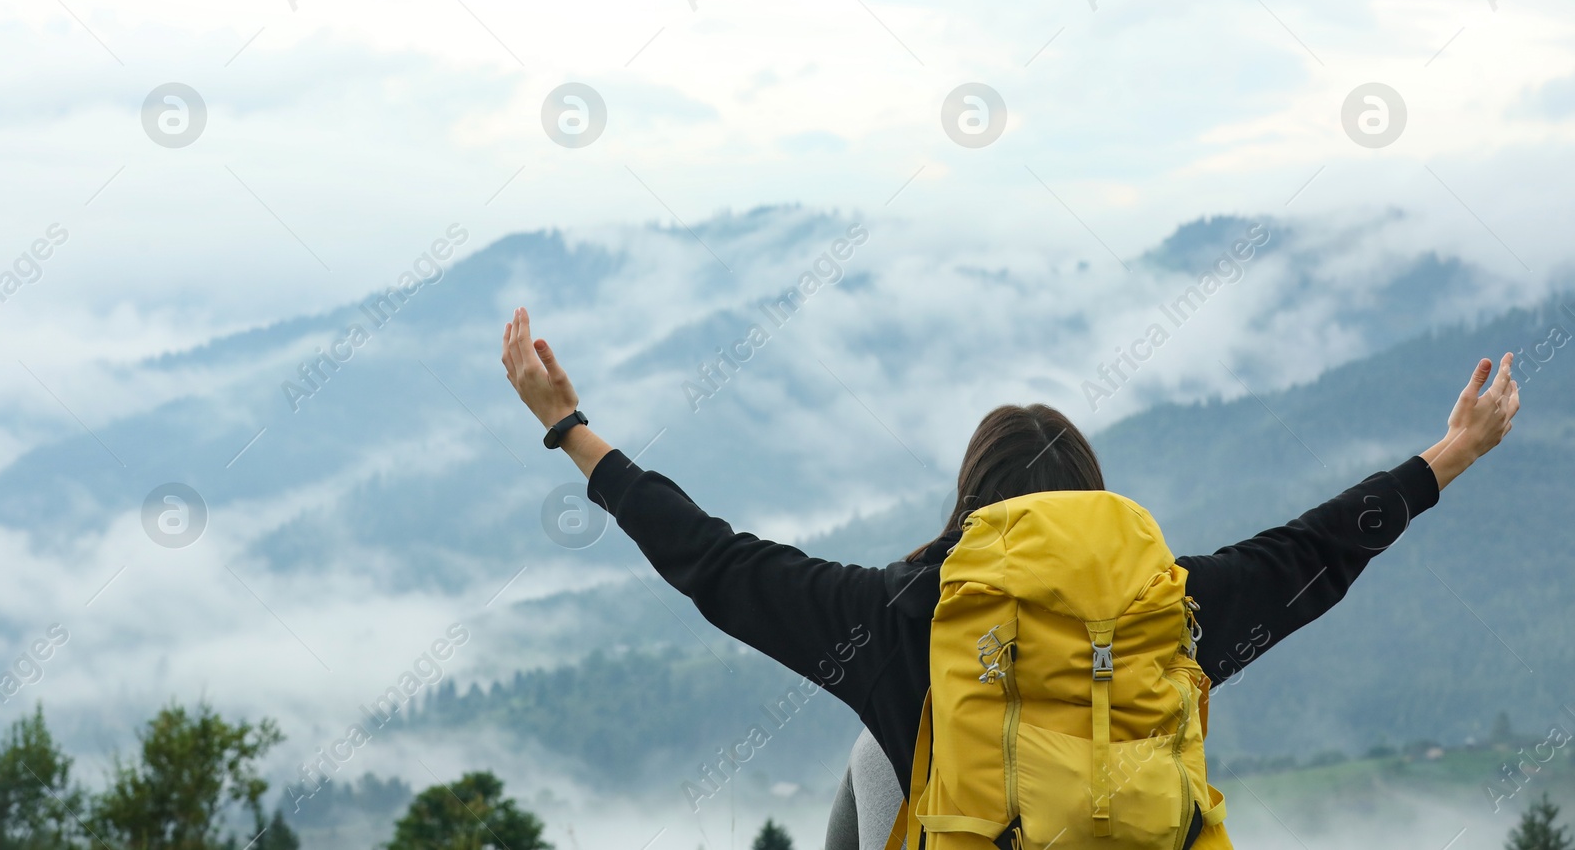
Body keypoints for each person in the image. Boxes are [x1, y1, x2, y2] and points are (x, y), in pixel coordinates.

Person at [499, 307, 1520, 823]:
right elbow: (1316, 550)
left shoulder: (898, 615)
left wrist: (572, 430)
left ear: (967, 497)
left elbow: (712, 561)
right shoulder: (1178, 606)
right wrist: (1453, 453)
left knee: (871, 760)